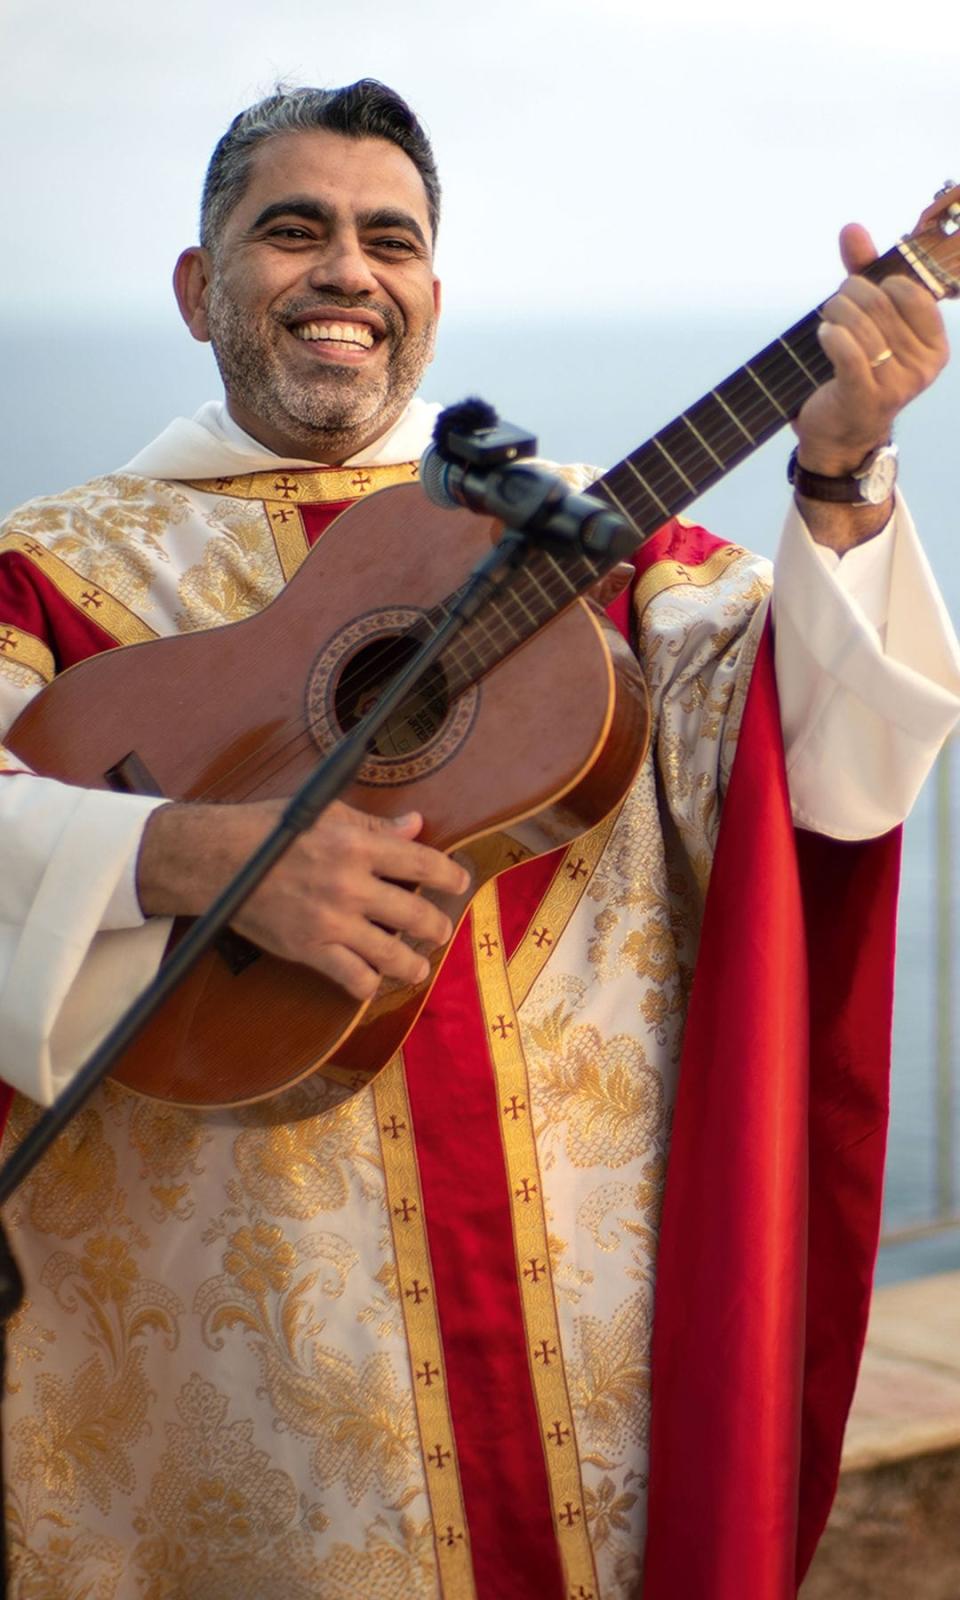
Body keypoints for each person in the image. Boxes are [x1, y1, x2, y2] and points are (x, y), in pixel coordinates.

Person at [0, 80, 957, 1600]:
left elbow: (825, 775)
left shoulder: (601, 550)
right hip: (251, 1425)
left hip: (590, 1355)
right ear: (199, 288)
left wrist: (837, 476)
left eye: (391, 241)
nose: (346, 273)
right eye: (291, 231)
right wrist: (177, 856)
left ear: (432, 299)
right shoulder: (51, 576)